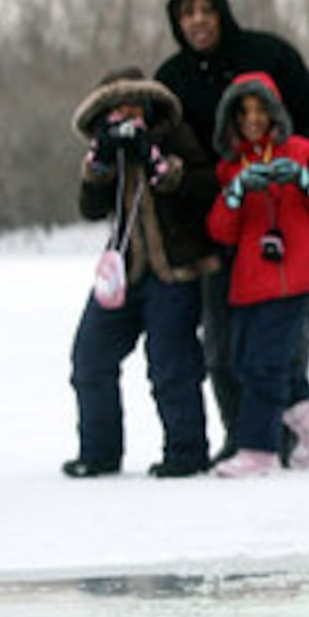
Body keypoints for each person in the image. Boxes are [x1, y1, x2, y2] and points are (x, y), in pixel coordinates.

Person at [156, 0, 309, 463]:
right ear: (177, 23)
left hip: (285, 222)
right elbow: (164, 154)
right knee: (224, 346)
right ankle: (243, 436)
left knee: (286, 344)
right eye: (186, 14)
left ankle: (280, 440)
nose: (197, 20)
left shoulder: (267, 53)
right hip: (216, 230)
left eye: (206, 10)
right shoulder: (171, 77)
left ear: (223, 13)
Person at [64, 68, 220, 478]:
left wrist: (162, 166)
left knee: (171, 363)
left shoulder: (174, 136)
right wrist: (100, 162)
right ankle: (99, 452)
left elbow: (206, 188)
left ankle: (186, 452)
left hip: (175, 270)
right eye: (115, 108)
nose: (126, 113)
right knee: (90, 356)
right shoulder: (106, 150)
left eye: (134, 104)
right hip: (124, 273)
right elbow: (90, 208)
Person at [205, 73, 309, 477]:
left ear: (274, 113)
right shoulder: (230, 168)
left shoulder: (302, 151)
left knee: (266, 363)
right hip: (251, 280)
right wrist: (235, 193)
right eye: (243, 112)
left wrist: (305, 181)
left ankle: (260, 448)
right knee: (245, 359)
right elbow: (221, 230)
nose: (252, 119)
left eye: (259, 110)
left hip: (298, 275)